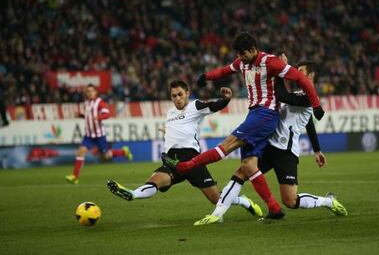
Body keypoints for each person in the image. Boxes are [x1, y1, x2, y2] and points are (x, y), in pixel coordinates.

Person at [163, 32, 325, 223]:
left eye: (243, 54)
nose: (240, 58)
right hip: (255, 114)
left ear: (253, 50)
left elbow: (301, 79)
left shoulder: (271, 62)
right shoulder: (243, 62)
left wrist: (316, 105)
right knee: (248, 166)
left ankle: (185, 166)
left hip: (265, 115)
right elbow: (224, 71)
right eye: (238, 55)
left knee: (228, 144)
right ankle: (274, 208)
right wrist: (206, 76)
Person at [194, 58, 347, 225]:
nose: (296, 75)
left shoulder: (310, 97)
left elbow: (283, 96)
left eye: (301, 72)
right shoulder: (297, 95)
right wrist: (317, 150)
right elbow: (308, 122)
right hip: (268, 146)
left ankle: (328, 202)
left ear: (310, 76)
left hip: (285, 152)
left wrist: (279, 72)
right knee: (242, 171)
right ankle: (217, 214)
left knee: (290, 201)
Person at [107, 80, 263, 219]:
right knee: (155, 181)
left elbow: (214, 106)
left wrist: (226, 99)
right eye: (173, 96)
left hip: (191, 159)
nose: (177, 98)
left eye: (180, 94)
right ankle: (132, 194)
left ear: (187, 93)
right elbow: (178, 130)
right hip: (172, 160)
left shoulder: (195, 106)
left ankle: (244, 201)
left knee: (215, 199)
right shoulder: (170, 113)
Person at [65, 84, 133, 184]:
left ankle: (124, 152)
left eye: (92, 91)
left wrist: (98, 117)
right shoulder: (87, 103)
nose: (90, 93)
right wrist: (81, 115)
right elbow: (89, 117)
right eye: (88, 91)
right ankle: (75, 177)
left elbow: (107, 114)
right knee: (81, 152)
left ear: (96, 92)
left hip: (99, 135)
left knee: (107, 155)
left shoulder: (100, 102)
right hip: (89, 135)